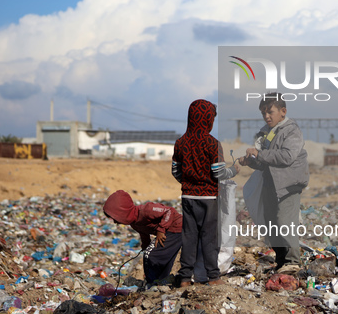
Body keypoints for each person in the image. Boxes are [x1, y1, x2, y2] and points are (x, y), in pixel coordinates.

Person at [172, 99, 240, 287]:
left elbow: (176, 171)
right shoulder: (212, 144)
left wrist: (188, 183)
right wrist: (234, 170)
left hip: (188, 197)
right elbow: (218, 173)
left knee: (189, 237)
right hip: (209, 198)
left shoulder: (180, 143)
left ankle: (185, 277)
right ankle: (213, 277)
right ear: (208, 119)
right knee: (209, 238)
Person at [239, 92, 309, 274]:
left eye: (270, 112)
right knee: (272, 224)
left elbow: (287, 156)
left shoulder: (292, 131)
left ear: (283, 111)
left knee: (285, 222)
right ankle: (281, 261)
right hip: (271, 184)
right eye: (263, 113)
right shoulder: (267, 133)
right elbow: (265, 162)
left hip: (287, 185)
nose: (266, 116)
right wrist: (252, 161)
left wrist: (259, 154)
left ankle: (293, 261)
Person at [103, 190, 182, 285]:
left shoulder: (146, 210)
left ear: (122, 212)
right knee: (156, 256)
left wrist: (161, 229)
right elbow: (144, 233)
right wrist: (145, 244)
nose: (115, 222)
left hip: (177, 228)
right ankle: (160, 282)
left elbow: (169, 211)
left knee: (151, 255)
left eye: (115, 218)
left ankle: (151, 283)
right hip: (169, 231)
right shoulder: (134, 223)